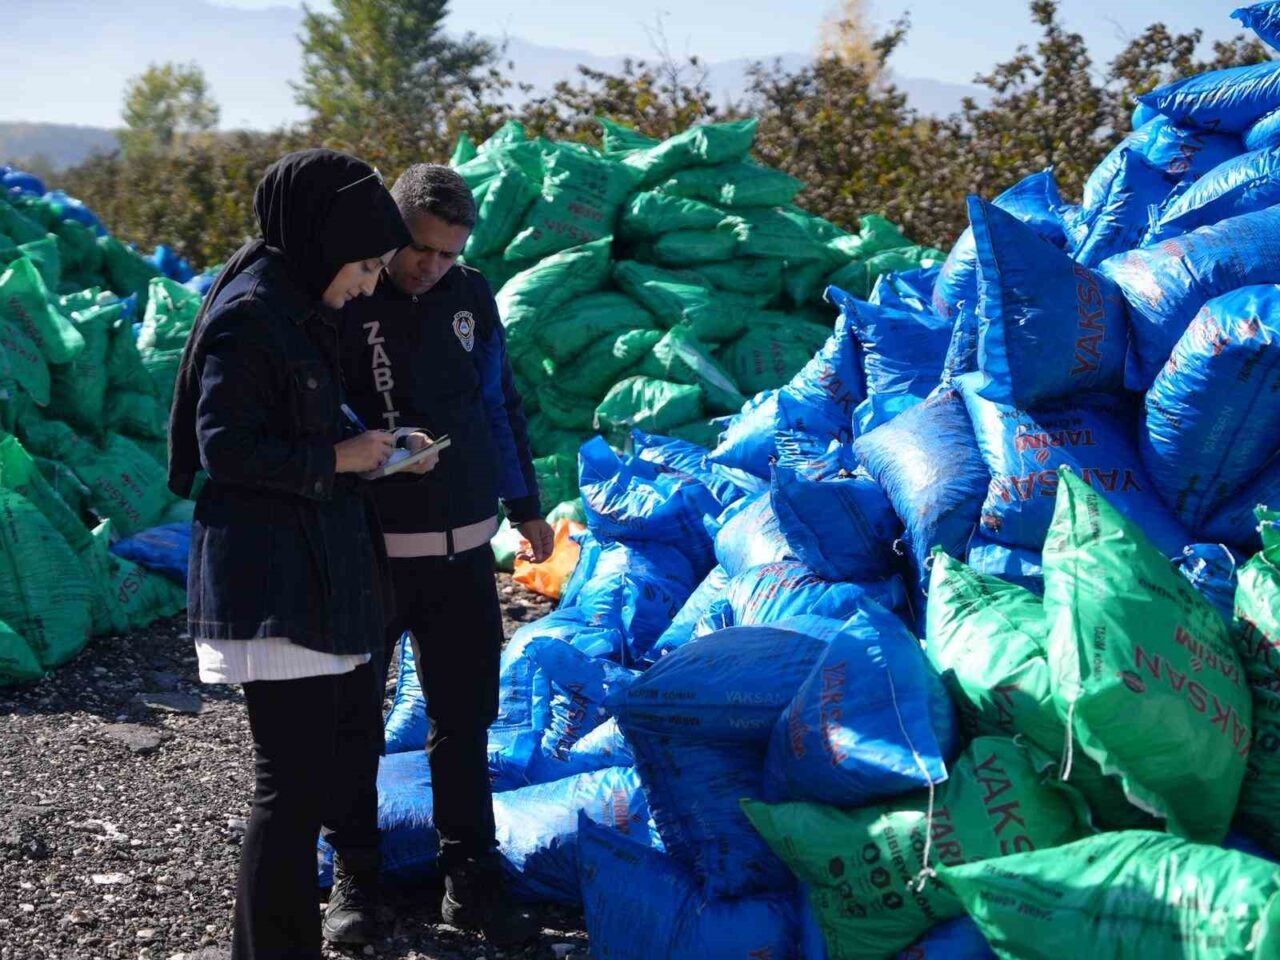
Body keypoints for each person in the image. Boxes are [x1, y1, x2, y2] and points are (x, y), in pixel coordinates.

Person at [167, 149, 431, 958]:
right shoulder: (252, 316)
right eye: (364, 266)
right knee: (288, 791)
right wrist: (337, 460)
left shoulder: (295, 304)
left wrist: (371, 449)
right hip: (273, 580)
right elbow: (224, 448)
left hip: (310, 570)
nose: (368, 285)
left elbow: (297, 420)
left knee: (308, 782)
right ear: (324, 243)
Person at [339, 163, 553, 947]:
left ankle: (470, 880)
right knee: (352, 723)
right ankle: (356, 881)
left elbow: (499, 402)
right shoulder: (349, 295)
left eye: (448, 254)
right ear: (391, 231)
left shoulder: (472, 296)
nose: (431, 266)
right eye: (420, 249)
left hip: (463, 554)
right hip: (371, 554)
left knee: (464, 722)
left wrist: (525, 506)